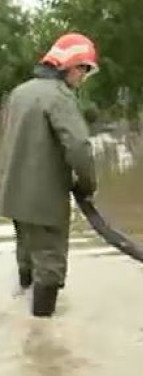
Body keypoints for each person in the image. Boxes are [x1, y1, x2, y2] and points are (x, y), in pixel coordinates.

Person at [0, 32, 100, 317]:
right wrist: (87, 185)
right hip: (45, 201)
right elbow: (79, 146)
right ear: (72, 66)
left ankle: (22, 319)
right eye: (85, 70)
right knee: (50, 268)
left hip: (13, 196)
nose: (84, 77)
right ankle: (43, 339)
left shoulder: (20, 93)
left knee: (27, 259)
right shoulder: (59, 97)